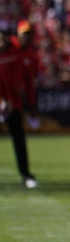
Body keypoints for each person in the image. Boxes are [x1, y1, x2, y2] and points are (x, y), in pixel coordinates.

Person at [0, 26, 38, 188]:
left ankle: (25, 174)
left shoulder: (18, 52)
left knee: (19, 139)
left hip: (13, 103)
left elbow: (25, 80)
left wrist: (29, 103)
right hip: (2, 102)